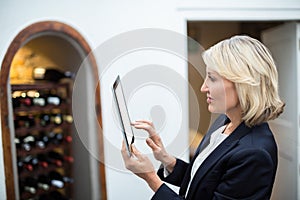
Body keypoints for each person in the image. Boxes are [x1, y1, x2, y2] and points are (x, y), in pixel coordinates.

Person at [121, 35, 285, 200]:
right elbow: (203, 181)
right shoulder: (224, 121)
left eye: (212, 78)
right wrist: (166, 159)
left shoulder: (254, 154)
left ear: (242, 85)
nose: (203, 87)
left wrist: (150, 178)